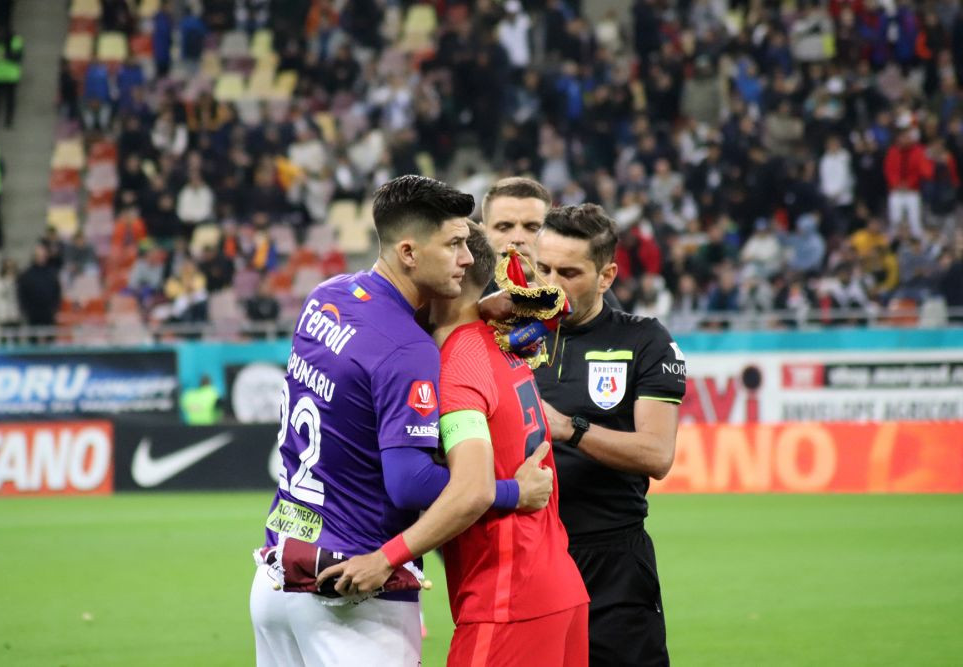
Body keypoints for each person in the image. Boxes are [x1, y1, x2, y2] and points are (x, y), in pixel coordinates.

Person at [249, 176, 552, 666]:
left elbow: (378, 344)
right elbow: (409, 483)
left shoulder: (328, 297)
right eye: (454, 244)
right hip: (354, 591)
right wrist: (511, 492)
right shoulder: (407, 351)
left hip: (278, 576)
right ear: (409, 252)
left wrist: (476, 310)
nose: (470, 257)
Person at [532, 204, 687, 667]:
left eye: (569, 272)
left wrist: (569, 429)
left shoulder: (645, 341)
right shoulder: (507, 335)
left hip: (613, 560)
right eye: (544, 267)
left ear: (606, 276)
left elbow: (657, 454)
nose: (551, 282)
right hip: (530, 556)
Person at [430, 222, 589, 666]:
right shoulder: (501, 346)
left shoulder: (459, 361)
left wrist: (385, 559)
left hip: (508, 601)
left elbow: (470, 491)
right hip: (558, 587)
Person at [480, 176, 621, 308]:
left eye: (532, 227)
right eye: (504, 227)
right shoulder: (466, 297)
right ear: (483, 233)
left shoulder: (589, 296)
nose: (517, 238)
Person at [0, 26, 22, 129]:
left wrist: (5, 55)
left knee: (9, 101)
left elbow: (18, 57)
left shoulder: (15, 41)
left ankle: (8, 121)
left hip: (11, 76)